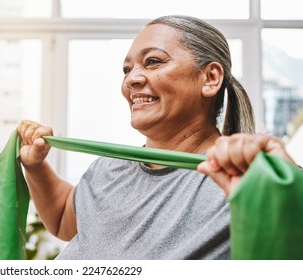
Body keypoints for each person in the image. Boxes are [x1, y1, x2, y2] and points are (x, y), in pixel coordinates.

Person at [17, 15, 297, 259]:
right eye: (127, 69)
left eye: (153, 62)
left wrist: (285, 191)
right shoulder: (109, 167)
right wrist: (36, 166)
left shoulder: (246, 177)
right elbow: (64, 218)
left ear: (210, 78)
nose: (132, 79)